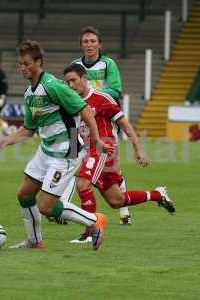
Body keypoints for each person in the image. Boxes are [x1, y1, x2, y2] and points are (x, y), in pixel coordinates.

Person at [0, 40, 114, 250]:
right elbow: (28, 128)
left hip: (68, 150)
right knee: (25, 194)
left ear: (39, 62)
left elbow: (85, 111)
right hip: (46, 150)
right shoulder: (30, 94)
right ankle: (35, 241)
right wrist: (5, 142)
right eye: (20, 63)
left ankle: (94, 221)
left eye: (26, 63)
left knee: (46, 206)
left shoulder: (53, 86)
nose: (22, 67)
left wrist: (96, 139)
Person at [63, 63, 175, 243]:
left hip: (104, 150)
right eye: (67, 82)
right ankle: (157, 194)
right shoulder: (70, 102)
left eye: (74, 80)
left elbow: (124, 123)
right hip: (87, 152)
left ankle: (90, 232)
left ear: (85, 78)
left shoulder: (102, 98)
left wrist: (138, 148)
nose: (70, 85)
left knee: (82, 183)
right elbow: (75, 130)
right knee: (117, 201)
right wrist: (74, 157)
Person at [72, 26, 131, 225]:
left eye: (92, 41)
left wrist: (94, 96)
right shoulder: (75, 65)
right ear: (81, 45)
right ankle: (66, 206)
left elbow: (115, 90)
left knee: (113, 166)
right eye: (85, 42)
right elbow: (67, 89)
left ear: (99, 44)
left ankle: (124, 209)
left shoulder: (108, 64)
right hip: (78, 121)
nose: (89, 45)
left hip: (103, 120)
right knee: (71, 160)